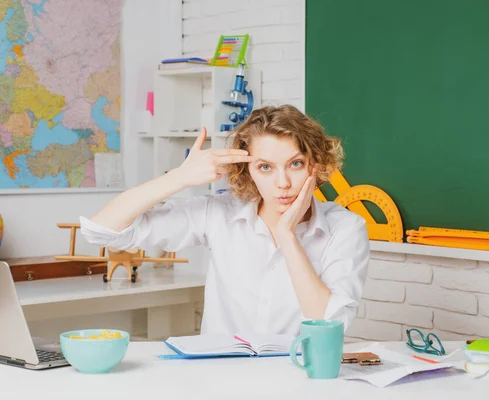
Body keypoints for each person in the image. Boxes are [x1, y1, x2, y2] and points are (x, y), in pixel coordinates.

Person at [79, 105, 369, 338]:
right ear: (248, 172)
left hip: (299, 378)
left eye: (295, 164)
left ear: (315, 165)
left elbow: (332, 325)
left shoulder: (345, 228)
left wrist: (288, 236)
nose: (283, 183)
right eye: (265, 167)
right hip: (219, 380)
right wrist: (179, 177)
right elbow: (101, 230)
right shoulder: (219, 213)